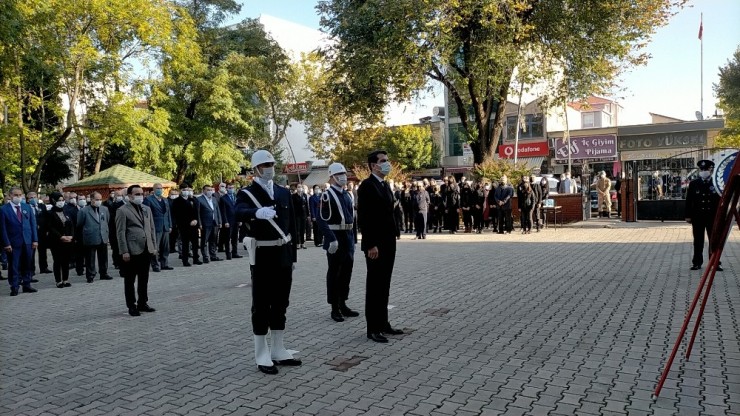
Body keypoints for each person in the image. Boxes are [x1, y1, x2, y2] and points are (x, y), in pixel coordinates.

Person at [235, 149, 301, 375]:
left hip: (283, 254)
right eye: (265, 165)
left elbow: (292, 225)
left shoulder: (283, 192)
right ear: (255, 169)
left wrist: (293, 256)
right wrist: (256, 212)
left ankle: (279, 349)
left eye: (272, 164)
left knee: (281, 303)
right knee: (262, 305)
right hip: (262, 256)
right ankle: (261, 353)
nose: (269, 168)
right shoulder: (247, 193)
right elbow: (238, 212)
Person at [358, 150, 403, 343]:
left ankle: (384, 323)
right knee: (375, 285)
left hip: (388, 241)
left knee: (384, 284)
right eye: (383, 161)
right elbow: (365, 218)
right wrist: (370, 244)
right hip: (375, 244)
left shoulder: (384, 185)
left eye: (387, 160)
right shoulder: (367, 186)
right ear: (373, 166)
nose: (387, 164)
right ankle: (373, 328)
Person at [317, 163, 360, 322]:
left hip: (347, 236)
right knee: (335, 273)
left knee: (346, 272)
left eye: (344, 173)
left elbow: (352, 218)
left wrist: (354, 238)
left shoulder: (348, 194)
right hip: (335, 236)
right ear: (332, 177)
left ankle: (343, 303)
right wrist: (331, 239)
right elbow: (321, 220)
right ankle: (334, 307)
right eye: (339, 173)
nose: (343, 176)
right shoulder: (327, 195)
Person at [115, 184, 158, 316]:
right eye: (137, 194)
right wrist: (124, 251)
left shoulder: (146, 209)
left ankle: (142, 303)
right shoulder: (122, 210)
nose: (140, 196)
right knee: (130, 280)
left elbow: (151, 229)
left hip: (146, 248)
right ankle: (131, 305)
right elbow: (120, 232)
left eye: (141, 194)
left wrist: (154, 246)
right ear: (129, 196)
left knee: (144, 278)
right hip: (132, 250)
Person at [685, 160, 722, 271]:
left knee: (714, 240)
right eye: (702, 169)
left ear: (711, 170)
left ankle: (715, 262)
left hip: (713, 217)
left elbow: (721, 201)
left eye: (706, 169)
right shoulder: (694, 184)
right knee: (698, 240)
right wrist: (688, 215)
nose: (704, 171)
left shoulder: (716, 184)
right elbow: (689, 201)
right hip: (698, 217)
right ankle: (697, 262)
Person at [1, 187, 38, 296]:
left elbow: (32, 224)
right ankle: (14, 286)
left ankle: (26, 284)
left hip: (27, 240)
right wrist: (6, 243)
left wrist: (35, 240)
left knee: (27, 263)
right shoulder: (3, 209)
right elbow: (2, 229)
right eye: (16, 195)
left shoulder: (26, 207)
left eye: (20, 195)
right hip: (13, 242)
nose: (18, 197)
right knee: (14, 265)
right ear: (10, 196)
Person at [77, 192, 112, 282]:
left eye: (100, 199)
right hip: (90, 237)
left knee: (103, 257)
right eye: (97, 199)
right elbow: (80, 224)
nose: (99, 201)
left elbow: (107, 221)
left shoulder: (105, 209)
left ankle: (103, 273)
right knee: (90, 258)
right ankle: (90, 275)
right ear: (91, 199)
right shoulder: (84, 211)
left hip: (102, 236)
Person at [46, 192, 75, 288]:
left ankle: (66, 279)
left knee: (66, 261)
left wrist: (71, 236)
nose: (61, 202)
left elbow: (71, 225)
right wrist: (60, 237)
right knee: (57, 260)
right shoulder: (50, 213)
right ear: (53, 201)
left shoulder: (66, 211)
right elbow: (50, 227)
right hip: (56, 241)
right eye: (59, 200)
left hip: (68, 240)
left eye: (62, 200)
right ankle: (58, 280)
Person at [171, 184, 201, 266]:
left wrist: (196, 220)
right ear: (180, 190)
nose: (186, 191)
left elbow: (196, 211)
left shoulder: (193, 200)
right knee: (185, 244)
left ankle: (196, 258)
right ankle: (185, 260)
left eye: (187, 189)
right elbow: (178, 215)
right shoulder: (177, 201)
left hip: (194, 225)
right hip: (184, 226)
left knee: (195, 243)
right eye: (184, 189)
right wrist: (188, 222)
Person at [196, 185, 222, 262]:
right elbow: (198, 213)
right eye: (208, 190)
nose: (210, 191)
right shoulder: (199, 199)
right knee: (204, 241)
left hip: (215, 222)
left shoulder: (214, 199)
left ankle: (213, 255)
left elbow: (217, 210)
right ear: (203, 190)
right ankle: (205, 256)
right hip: (205, 223)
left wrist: (219, 221)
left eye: (211, 190)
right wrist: (199, 224)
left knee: (213, 240)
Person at [28, 192, 51, 275]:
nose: (33, 199)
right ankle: (31, 270)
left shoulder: (42, 206)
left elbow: (46, 218)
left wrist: (47, 229)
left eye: (34, 197)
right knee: (32, 252)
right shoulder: (27, 207)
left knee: (42, 251)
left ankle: (44, 267)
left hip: (42, 232)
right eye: (31, 197)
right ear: (28, 199)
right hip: (32, 233)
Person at [218, 183, 242, 259]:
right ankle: (228, 254)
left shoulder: (236, 197)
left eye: (232, 187)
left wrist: (240, 219)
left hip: (236, 220)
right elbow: (223, 211)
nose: (231, 189)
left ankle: (235, 253)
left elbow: (239, 209)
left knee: (235, 238)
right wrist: (225, 221)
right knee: (227, 238)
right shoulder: (223, 198)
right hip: (228, 221)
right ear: (226, 189)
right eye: (229, 188)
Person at [63, 193, 84, 276]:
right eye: (80, 199)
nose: (82, 201)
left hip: (87, 234)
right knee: (79, 254)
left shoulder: (87, 209)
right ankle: (80, 270)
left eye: (83, 199)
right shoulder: (71, 211)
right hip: (77, 235)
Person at [106, 190, 126, 271]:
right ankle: (116, 262)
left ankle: (122, 262)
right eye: (117, 195)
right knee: (115, 248)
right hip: (113, 229)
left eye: (121, 195)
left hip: (122, 229)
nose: (119, 197)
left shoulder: (124, 205)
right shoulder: (110, 205)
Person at [291, 185, 309, 250]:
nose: (300, 188)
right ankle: (298, 243)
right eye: (298, 187)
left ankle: (302, 243)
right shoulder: (294, 196)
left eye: (301, 187)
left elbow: (306, 205)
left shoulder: (304, 195)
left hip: (303, 215)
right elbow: (293, 206)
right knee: (297, 230)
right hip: (297, 215)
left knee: (303, 229)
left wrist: (307, 214)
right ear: (296, 188)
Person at [167, 189, 181, 257]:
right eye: (172, 194)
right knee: (170, 236)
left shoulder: (177, 201)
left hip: (177, 221)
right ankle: (170, 248)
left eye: (176, 194)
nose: (174, 196)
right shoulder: (167, 201)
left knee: (175, 235)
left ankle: (173, 248)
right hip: (170, 221)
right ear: (169, 194)